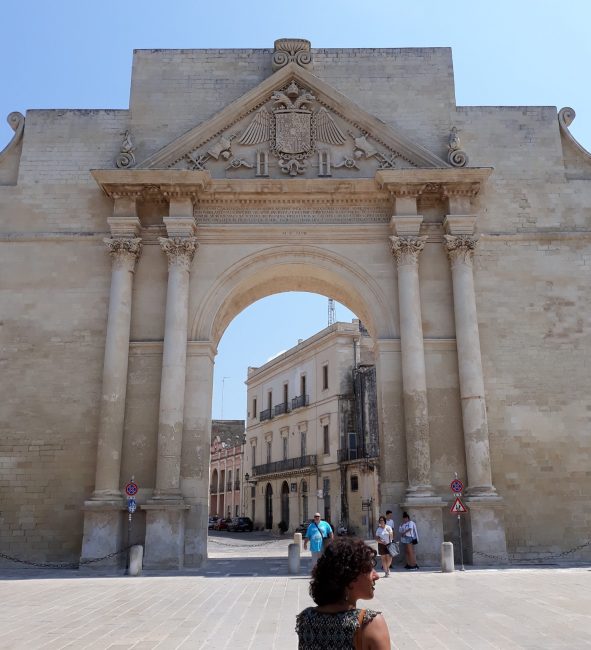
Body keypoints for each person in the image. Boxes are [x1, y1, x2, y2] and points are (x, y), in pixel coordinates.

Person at [296, 537, 391, 649]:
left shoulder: (306, 619)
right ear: (350, 576)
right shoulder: (369, 624)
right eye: (370, 569)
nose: (376, 576)